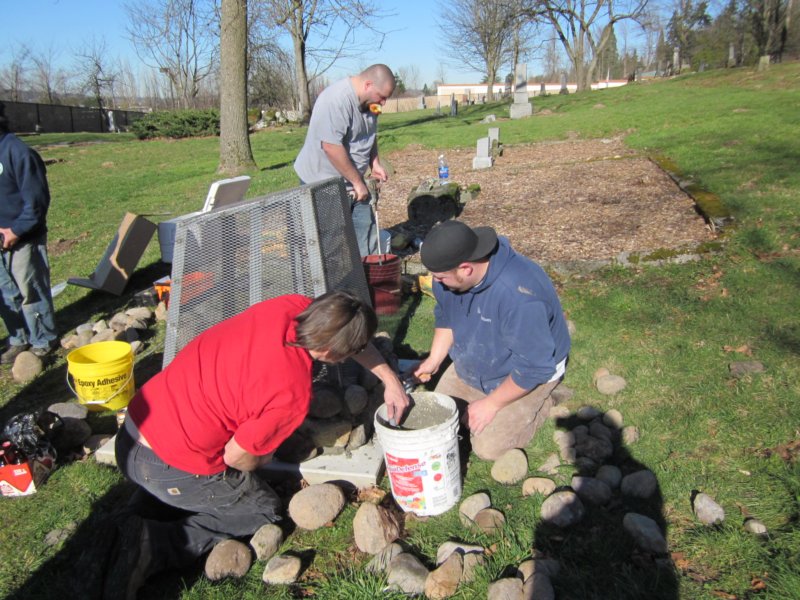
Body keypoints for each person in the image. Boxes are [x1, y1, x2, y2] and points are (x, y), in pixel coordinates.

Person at [106, 292, 409, 599]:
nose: (352, 356)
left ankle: (128, 519)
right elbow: (236, 456)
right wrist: (263, 458)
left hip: (135, 428)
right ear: (329, 352)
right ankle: (153, 544)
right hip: (163, 463)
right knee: (260, 509)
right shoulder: (291, 394)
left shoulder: (293, 305)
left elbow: (347, 331)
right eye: (347, 353)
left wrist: (390, 380)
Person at [412, 221, 571, 461]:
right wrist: (435, 358)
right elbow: (447, 314)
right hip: (479, 359)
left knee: (487, 448)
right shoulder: (447, 276)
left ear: (465, 268)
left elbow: (534, 366)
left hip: (526, 373)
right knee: (439, 420)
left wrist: (491, 404)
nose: (436, 281)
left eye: (441, 277)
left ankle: (543, 400)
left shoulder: (518, 296)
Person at [294, 64, 396, 256]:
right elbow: (331, 147)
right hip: (322, 182)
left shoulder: (370, 103)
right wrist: (357, 182)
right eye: (382, 97)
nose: (383, 103)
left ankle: (366, 280)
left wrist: (374, 163)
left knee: (365, 233)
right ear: (368, 85)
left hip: (355, 181)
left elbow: (369, 134)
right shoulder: (336, 100)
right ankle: (333, 283)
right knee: (329, 243)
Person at [0, 102, 58, 364]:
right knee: (6, 294)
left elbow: (36, 201)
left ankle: (43, 339)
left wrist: (16, 230)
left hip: (24, 238)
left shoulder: (18, 152)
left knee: (29, 291)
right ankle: (18, 338)